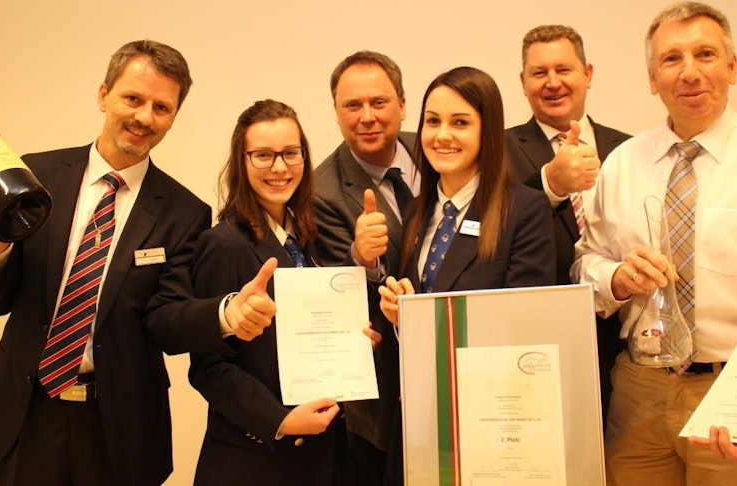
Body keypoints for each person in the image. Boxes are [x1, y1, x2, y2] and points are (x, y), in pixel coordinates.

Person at [573, 2, 737, 484]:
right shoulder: (623, 164)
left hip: (735, 388)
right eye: (672, 59)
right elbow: (586, 262)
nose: (690, 72)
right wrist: (617, 278)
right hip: (639, 393)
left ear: (732, 67)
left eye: (706, 54)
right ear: (653, 78)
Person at [0, 40, 226, 484]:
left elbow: (166, 323)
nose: (144, 117)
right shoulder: (32, 178)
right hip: (28, 415)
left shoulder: (185, 213)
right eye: (132, 98)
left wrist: (222, 315)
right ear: (103, 95)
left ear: (173, 117)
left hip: (121, 428)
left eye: (161, 107)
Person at [380, 66, 557, 485]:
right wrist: (398, 315)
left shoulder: (524, 211)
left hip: (490, 424)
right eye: (433, 121)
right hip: (418, 422)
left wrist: (422, 323)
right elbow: (413, 319)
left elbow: (524, 327)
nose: (443, 135)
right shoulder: (416, 210)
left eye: (460, 122)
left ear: (487, 130)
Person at [186, 100, 376, 485]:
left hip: (320, 455)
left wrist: (351, 344)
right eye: (263, 155)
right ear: (242, 161)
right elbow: (209, 367)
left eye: (291, 153)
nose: (279, 167)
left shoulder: (306, 237)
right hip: (254, 461)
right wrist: (279, 421)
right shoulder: (223, 244)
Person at [505, 24, 632, 426]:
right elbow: (485, 229)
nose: (553, 83)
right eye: (539, 73)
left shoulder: (630, 150)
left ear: (588, 74)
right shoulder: (497, 150)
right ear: (523, 82)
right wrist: (548, 184)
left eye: (564, 69)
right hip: (538, 345)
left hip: (626, 344)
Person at [312, 50, 418, 485]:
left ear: (402, 104)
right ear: (337, 114)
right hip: (384, 390)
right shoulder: (320, 191)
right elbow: (339, 299)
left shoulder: (436, 149)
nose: (367, 116)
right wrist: (362, 260)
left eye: (379, 102)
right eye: (352, 106)